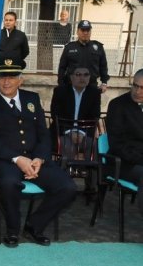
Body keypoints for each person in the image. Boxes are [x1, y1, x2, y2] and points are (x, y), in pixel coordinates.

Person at [0, 61, 77, 248]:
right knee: (9, 184)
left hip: (35, 158)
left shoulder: (32, 99)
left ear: (20, 80)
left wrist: (39, 158)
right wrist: (18, 159)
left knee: (67, 187)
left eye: (12, 77)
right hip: (5, 160)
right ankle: (13, 230)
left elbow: (43, 134)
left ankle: (34, 226)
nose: (6, 82)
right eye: (2, 77)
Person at [105, 69, 143, 215]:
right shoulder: (117, 105)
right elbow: (117, 145)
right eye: (135, 85)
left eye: (142, 88)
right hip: (123, 162)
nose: (137, 91)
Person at [57, 20, 109, 92]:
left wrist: (104, 83)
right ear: (77, 31)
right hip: (72, 87)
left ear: (90, 32)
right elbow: (62, 67)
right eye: (83, 30)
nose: (85, 33)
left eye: (88, 30)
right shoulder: (69, 47)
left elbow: (103, 66)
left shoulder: (98, 47)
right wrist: (61, 84)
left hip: (91, 86)